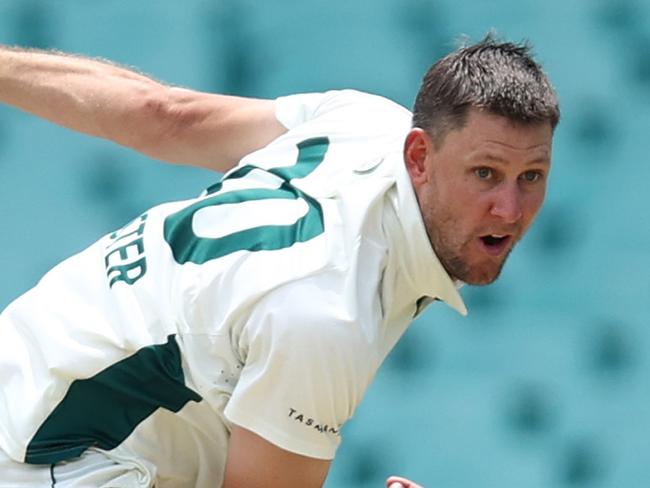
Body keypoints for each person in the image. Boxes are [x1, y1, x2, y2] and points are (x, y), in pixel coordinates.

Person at [0, 35, 559, 487]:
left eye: (531, 177)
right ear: (420, 157)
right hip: (48, 461)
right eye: (484, 174)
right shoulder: (328, 317)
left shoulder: (361, 121)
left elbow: (164, 114)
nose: (509, 209)